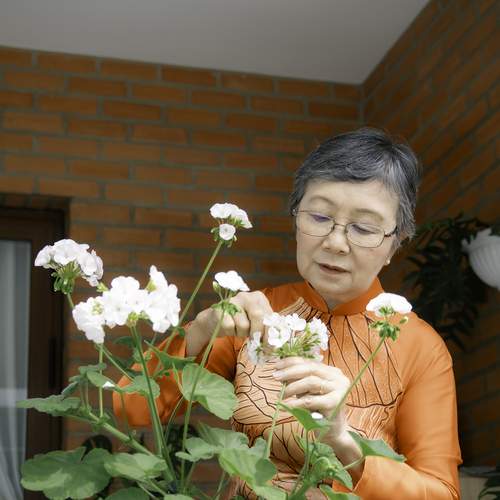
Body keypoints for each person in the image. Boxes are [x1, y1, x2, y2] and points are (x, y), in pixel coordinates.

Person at [114, 128, 462, 499]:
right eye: (320, 216)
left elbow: (441, 493)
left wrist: (345, 445)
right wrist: (201, 330)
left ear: (395, 244)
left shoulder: (419, 346)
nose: (335, 242)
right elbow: (129, 407)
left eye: (363, 228)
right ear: (295, 216)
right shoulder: (258, 314)